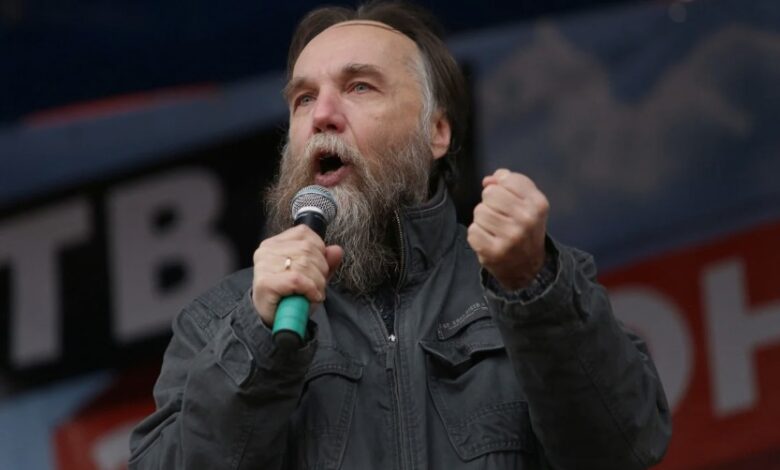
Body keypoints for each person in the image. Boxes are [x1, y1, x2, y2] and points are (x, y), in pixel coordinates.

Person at [128, 1, 671, 468]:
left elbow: (626, 446)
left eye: (359, 86)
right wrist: (257, 335)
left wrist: (533, 287)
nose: (323, 115)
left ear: (437, 132)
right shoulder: (220, 320)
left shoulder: (530, 281)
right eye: (303, 98)